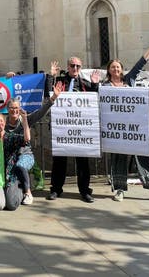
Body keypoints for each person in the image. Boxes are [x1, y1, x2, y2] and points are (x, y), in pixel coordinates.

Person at [103, 32, 149, 204]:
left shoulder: (129, 80)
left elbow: (140, 64)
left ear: (121, 69)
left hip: (134, 127)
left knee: (145, 157)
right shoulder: (105, 86)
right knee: (118, 159)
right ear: (108, 70)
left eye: (118, 67)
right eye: (113, 67)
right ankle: (119, 189)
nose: (116, 69)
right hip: (117, 130)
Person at [46, 56, 100, 203]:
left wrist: (95, 84)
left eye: (78, 66)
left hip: (81, 129)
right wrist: (51, 76)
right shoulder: (60, 82)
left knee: (82, 161)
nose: (75, 68)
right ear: (68, 67)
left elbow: (94, 98)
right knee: (59, 160)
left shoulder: (85, 83)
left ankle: (85, 191)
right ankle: (56, 189)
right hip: (62, 128)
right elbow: (48, 93)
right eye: (72, 66)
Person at [4, 80, 64, 204]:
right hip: (9, 158)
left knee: (21, 165)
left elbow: (41, 112)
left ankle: (28, 192)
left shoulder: (24, 119)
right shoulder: (2, 123)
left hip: (25, 155)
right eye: (11, 108)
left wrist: (53, 97)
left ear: (19, 109)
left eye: (16, 108)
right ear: (7, 109)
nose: (14, 110)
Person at [0, 111, 32, 211]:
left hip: (10, 176)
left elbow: (27, 139)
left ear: (5, 122)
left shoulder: (10, 137)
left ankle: (20, 188)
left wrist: (24, 120)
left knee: (11, 205)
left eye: (1, 121)